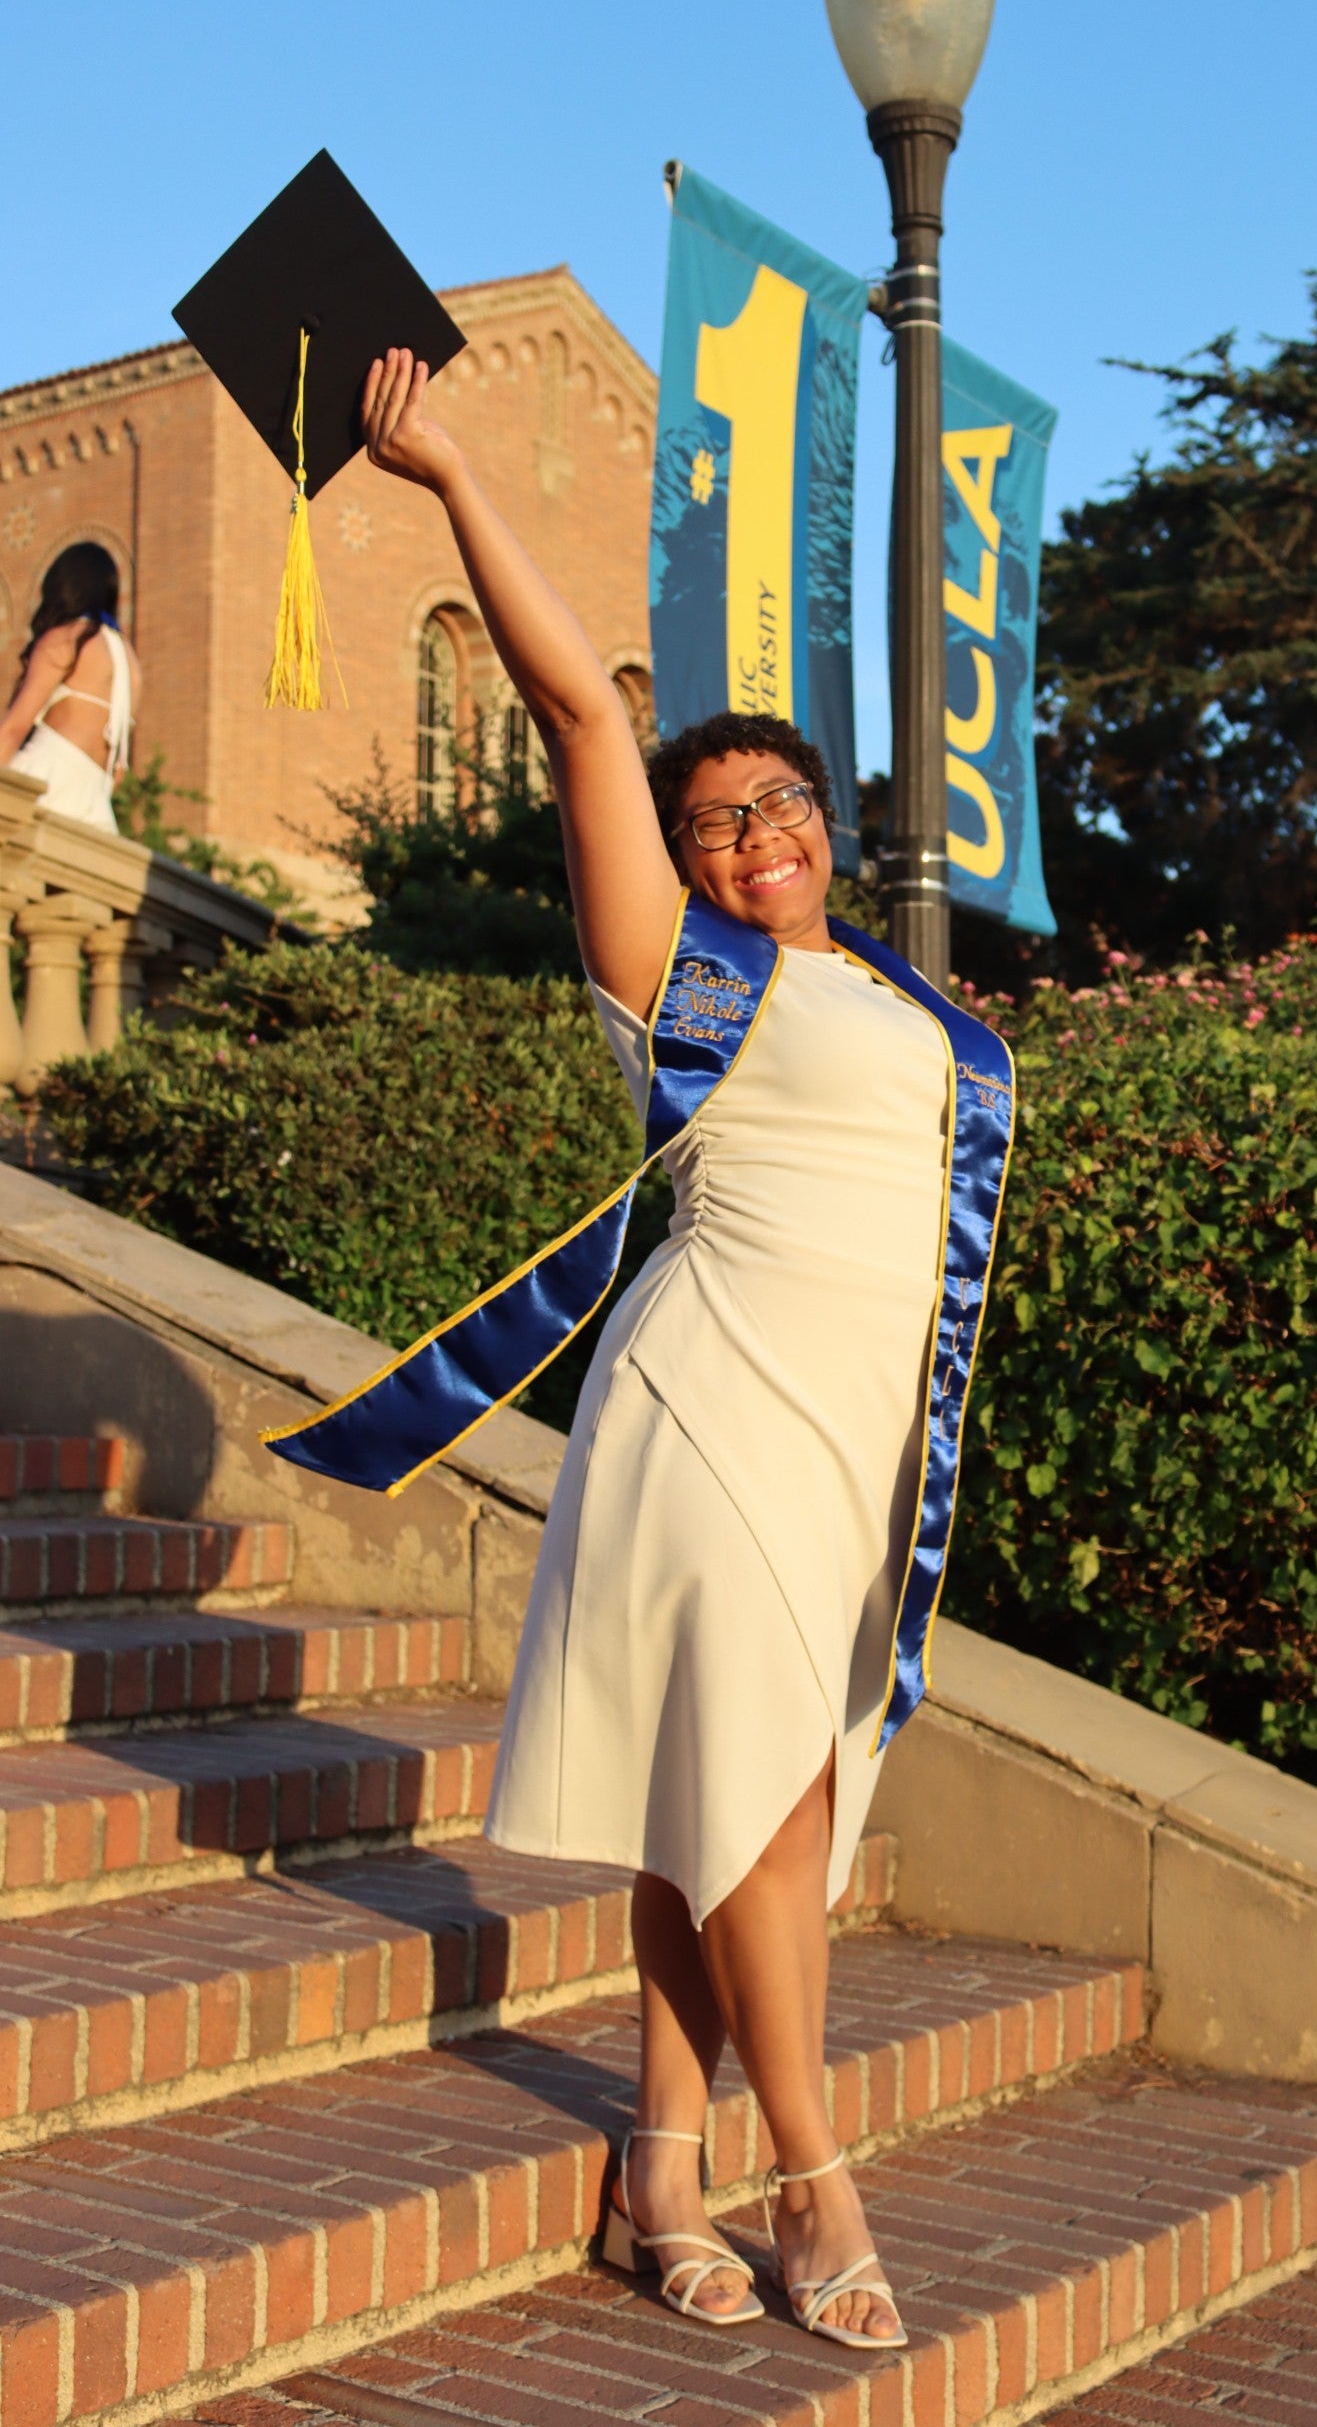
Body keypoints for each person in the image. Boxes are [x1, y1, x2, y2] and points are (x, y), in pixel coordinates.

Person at [359, 348, 964, 2348]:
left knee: (736, 1793)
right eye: (717, 818)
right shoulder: (676, 988)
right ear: (680, 852)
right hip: (708, 1404)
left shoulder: (891, 997)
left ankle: (661, 2161)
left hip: (852, 1441)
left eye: (782, 802)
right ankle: (817, 2169)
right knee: (761, 1806)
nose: (755, 836)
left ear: (826, 818)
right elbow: (569, 713)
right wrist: (447, 464)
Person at [0, 543, 139, 830]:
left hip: (41, 787)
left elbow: (13, 729)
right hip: (95, 811)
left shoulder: (70, 639)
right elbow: (119, 773)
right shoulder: (130, 663)